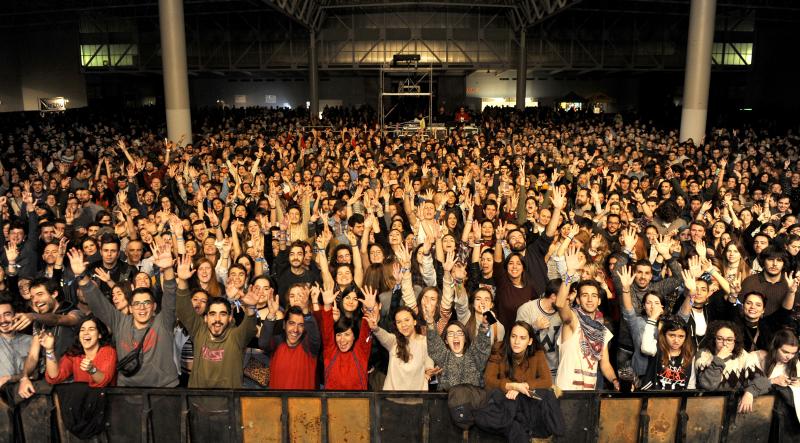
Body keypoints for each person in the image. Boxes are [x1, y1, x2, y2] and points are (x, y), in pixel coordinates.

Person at [71, 239, 180, 388]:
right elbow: (98, 303)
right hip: (128, 392)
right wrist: (82, 277)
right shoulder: (120, 321)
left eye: (146, 303)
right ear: (130, 307)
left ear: (154, 306)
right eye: (137, 304)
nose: (142, 308)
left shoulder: (163, 322)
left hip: (163, 390)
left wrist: (168, 269)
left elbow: (171, 296)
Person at [175, 255, 259, 389]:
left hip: (228, 405)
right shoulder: (199, 331)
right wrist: (183, 281)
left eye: (223, 314)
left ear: (230, 317)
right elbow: (183, 309)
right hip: (199, 403)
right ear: (206, 317)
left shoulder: (236, 337)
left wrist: (250, 307)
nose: (217, 320)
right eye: (213, 314)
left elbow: (249, 327)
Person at [554, 248, 618, 391]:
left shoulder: (603, 330)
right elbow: (559, 303)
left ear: (599, 301)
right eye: (585, 295)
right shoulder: (572, 320)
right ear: (578, 299)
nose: (590, 299)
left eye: (594, 296)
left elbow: (605, 365)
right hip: (566, 391)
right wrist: (569, 273)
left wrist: (615, 381)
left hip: (588, 394)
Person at [422, 296, 491, 390]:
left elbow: (483, 341)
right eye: (450, 334)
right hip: (448, 403)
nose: (455, 336)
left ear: (465, 339)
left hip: (473, 402)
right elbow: (434, 342)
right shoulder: (444, 357)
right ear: (446, 341)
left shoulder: (474, 356)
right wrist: (430, 320)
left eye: (459, 333)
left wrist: (487, 321)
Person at [319, 283, 374, 390]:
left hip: (357, 403)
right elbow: (327, 331)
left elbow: (366, 332)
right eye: (339, 335)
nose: (342, 339)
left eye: (347, 334)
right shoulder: (330, 351)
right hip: (332, 403)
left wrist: (369, 309)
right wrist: (327, 306)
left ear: (354, 337)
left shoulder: (361, 352)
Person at [259, 304, 321, 390]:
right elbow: (263, 343)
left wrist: (307, 313)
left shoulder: (309, 347)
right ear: (284, 325)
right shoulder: (277, 343)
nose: (295, 330)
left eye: (301, 325)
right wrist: (272, 314)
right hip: (278, 402)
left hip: (303, 403)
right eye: (292, 323)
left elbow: (314, 337)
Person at [43, 316, 117, 387]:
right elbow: (54, 377)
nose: (86, 333)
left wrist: (92, 370)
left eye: (91, 329)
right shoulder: (74, 354)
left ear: (99, 334)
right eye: (82, 330)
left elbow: (104, 382)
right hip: (81, 398)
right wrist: (49, 350)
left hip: (104, 398)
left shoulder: (108, 351)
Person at [484, 321, 551, 399]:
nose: (516, 342)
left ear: (530, 341)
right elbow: (488, 380)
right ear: (509, 337)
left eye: (522, 338)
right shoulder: (499, 349)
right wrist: (513, 386)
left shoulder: (537, 353)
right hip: (504, 398)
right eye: (513, 336)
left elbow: (547, 381)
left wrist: (523, 387)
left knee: (547, 395)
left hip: (527, 400)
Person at [369, 306, 431, 391]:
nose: (403, 324)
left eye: (407, 320)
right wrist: (375, 328)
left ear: (415, 321)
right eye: (399, 322)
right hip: (391, 398)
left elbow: (429, 359)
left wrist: (429, 370)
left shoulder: (425, 341)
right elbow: (383, 335)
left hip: (416, 398)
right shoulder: (394, 341)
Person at [691, 320, 760, 390]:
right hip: (710, 400)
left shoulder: (742, 354)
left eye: (729, 340)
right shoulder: (703, 354)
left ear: (735, 341)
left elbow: (762, 381)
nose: (724, 343)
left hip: (738, 400)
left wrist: (750, 393)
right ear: (714, 339)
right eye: (720, 339)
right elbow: (708, 385)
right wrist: (719, 358)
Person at [516, 278, 563, 377]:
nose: (567, 301)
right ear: (554, 296)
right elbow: (516, 340)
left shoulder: (563, 313)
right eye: (564, 297)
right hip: (529, 369)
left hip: (554, 371)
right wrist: (534, 327)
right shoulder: (527, 309)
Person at [639, 317, 695, 391]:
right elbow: (645, 348)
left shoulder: (689, 355)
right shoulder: (656, 349)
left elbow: (691, 384)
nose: (676, 340)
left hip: (679, 400)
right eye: (672, 335)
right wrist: (652, 318)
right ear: (664, 335)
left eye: (681, 336)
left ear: (686, 337)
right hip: (654, 399)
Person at [0, 298, 32, 388]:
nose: (2, 320)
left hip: (28, 394)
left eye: (7, 314)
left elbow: (37, 373)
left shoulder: (31, 341)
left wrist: (10, 378)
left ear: (16, 315)